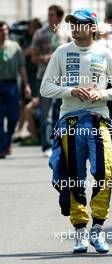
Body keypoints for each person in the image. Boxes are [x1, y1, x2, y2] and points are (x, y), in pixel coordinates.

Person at [40, 8, 112, 254]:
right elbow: (45, 87)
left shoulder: (105, 53)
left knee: (105, 173)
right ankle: (80, 233)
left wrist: (101, 93)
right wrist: (69, 91)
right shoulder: (61, 52)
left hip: (98, 120)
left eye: (80, 23)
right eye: (72, 23)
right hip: (69, 121)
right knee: (73, 176)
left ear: (92, 27)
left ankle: (98, 230)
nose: (74, 27)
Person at [32, 5, 69, 156]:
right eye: (49, 15)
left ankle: (62, 143)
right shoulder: (40, 34)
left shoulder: (67, 34)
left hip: (63, 79)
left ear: (60, 17)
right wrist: (45, 58)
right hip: (44, 77)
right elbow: (33, 57)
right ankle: (46, 145)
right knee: (45, 114)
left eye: (52, 15)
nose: (49, 18)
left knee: (63, 113)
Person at [0, 21, 31, 159]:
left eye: (6, 30)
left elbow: (22, 67)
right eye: (1, 30)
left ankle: (6, 142)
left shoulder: (15, 46)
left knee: (13, 117)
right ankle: (3, 147)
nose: (4, 33)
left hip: (12, 85)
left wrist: (26, 85)